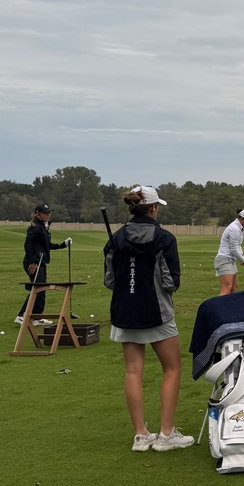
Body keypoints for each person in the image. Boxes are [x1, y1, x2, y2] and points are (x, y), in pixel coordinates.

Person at [103, 185, 192, 453]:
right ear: (153, 208)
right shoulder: (164, 238)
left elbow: (109, 281)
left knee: (132, 371)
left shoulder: (115, 239)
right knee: (173, 368)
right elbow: (170, 282)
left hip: (124, 313)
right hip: (158, 314)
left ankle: (141, 436)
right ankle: (165, 435)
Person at [15, 204, 71, 326]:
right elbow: (27, 245)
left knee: (41, 290)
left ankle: (36, 317)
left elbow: (47, 245)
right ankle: (21, 315)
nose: (48, 215)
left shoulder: (42, 228)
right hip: (34, 263)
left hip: (41, 262)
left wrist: (63, 245)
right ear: (38, 214)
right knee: (37, 290)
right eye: (45, 213)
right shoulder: (34, 228)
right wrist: (33, 262)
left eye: (48, 213)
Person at [214, 209, 244, 295]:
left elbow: (238, 245)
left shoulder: (239, 228)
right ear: (242, 218)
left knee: (234, 288)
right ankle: (221, 308)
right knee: (226, 289)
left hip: (230, 260)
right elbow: (234, 249)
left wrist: (242, 258)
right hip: (224, 260)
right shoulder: (234, 229)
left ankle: (231, 308)